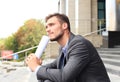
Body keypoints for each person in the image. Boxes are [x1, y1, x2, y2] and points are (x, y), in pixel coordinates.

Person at [25, 13, 110, 82]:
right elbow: (53, 66)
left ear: (64, 26)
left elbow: (64, 77)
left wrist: (36, 67)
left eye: (51, 25)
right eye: (46, 27)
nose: (47, 29)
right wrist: (35, 63)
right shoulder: (63, 48)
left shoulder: (79, 44)